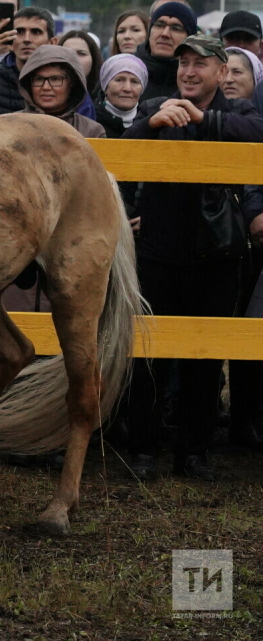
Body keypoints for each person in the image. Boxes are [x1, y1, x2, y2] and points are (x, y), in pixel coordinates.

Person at [122, 34, 263, 481]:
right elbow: (121, 152)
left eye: (200, 64)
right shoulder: (155, 107)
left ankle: (194, 451)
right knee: (145, 356)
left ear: (223, 73)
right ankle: (143, 448)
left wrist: (206, 121)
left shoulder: (238, 113)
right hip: (157, 253)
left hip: (216, 255)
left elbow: (258, 133)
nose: (188, 70)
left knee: (204, 358)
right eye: (183, 62)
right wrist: (152, 125)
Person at [18, 44, 106, 138]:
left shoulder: (91, 131)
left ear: (71, 84)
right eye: (39, 79)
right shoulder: (9, 125)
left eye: (55, 79)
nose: (46, 87)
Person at [0, 6, 54, 115]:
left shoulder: (67, 84)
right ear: (10, 42)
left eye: (36, 32)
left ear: (52, 43)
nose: (27, 39)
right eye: (19, 32)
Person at [137, 0, 196, 101]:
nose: (165, 34)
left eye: (176, 28)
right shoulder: (126, 72)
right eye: (159, 25)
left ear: (189, 37)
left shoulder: (198, 82)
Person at [92, 53, 149, 138]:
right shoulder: (89, 118)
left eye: (134, 81)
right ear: (105, 86)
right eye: (119, 80)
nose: (127, 88)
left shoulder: (150, 121)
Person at [58, 29, 102, 96]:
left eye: (81, 53)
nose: (74, 58)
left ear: (93, 58)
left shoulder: (105, 96)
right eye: (67, 53)